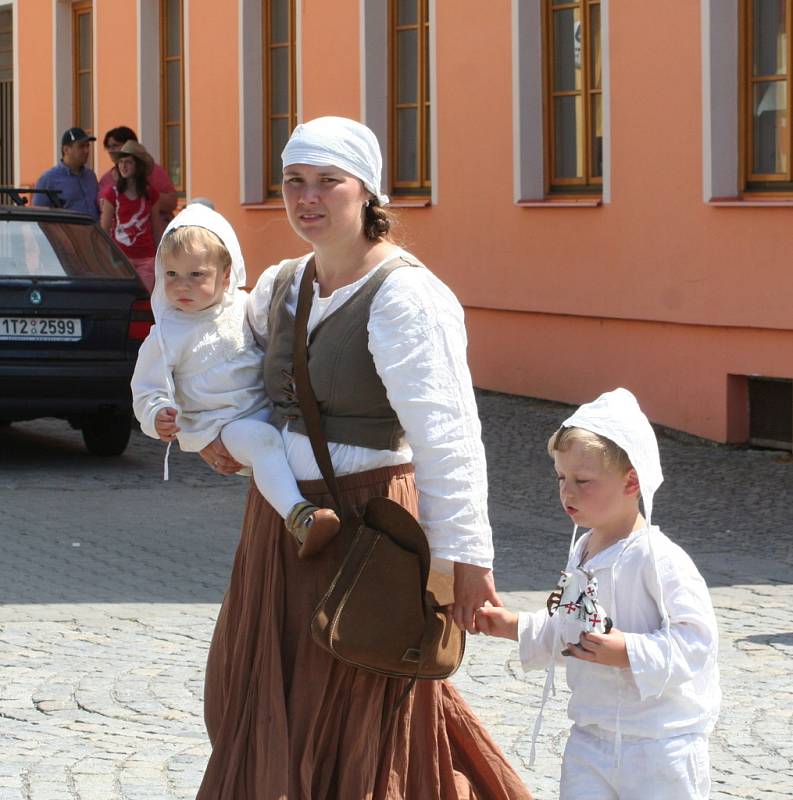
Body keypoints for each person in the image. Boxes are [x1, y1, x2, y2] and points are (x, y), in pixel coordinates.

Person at [195, 116, 533, 799]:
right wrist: (209, 429)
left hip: (370, 525)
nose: (307, 198)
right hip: (283, 525)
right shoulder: (281, 285)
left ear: (366, 192)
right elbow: (230, 371)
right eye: (294, 181)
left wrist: (463, 561)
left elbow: (448, 436)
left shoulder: (405, 296)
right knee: (264, 689)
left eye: (328, 182)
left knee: (364, 695)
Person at [477, 388, 721, 800]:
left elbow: (697, 642)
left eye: (583, 481)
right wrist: (515, 626)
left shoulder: (659, 558)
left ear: (631, 481)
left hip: (659, 745)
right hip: (591, 737)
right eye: (561, 478)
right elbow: (574, 629)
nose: (567, 492)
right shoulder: (583, 548)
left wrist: (629, 650)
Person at [130, 202, 340, 555]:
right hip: (223, 425)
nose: (183, 285)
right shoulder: (165, 334)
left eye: (196, 275)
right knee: (262, 441)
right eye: (171, 275)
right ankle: (300, 516)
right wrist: (157, 416)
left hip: (269, 410)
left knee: (302, 442)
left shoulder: (243, 309)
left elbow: (276, 320)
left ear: (226, 275)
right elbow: (145, 390)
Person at [99, 141, 163, 292]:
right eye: (120, 162)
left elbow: (156, 227)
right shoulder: (111, 194)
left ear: (138, 166)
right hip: (119, 259)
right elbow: (104, 229)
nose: (123, 166)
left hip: (146, 258)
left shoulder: (150, 194)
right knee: (121, 299)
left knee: (143, 300)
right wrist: (104, 258)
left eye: (128, 162)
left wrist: (162, 256)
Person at [99, 126, 178, 227]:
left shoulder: (154, 171)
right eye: (108, 147)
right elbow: (103, 211)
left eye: (115, 145)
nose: (111, 151)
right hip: (120, 238)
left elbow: (172, 202)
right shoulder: (106, 180)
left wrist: (143, 193)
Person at [33, 127, 99, 220]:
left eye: (87, 146)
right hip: (64, 234)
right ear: (66, 150)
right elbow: (38, 217)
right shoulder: (48, 179)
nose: (86, 151)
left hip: (93, 233)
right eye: (81, 146)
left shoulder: (90, 176)